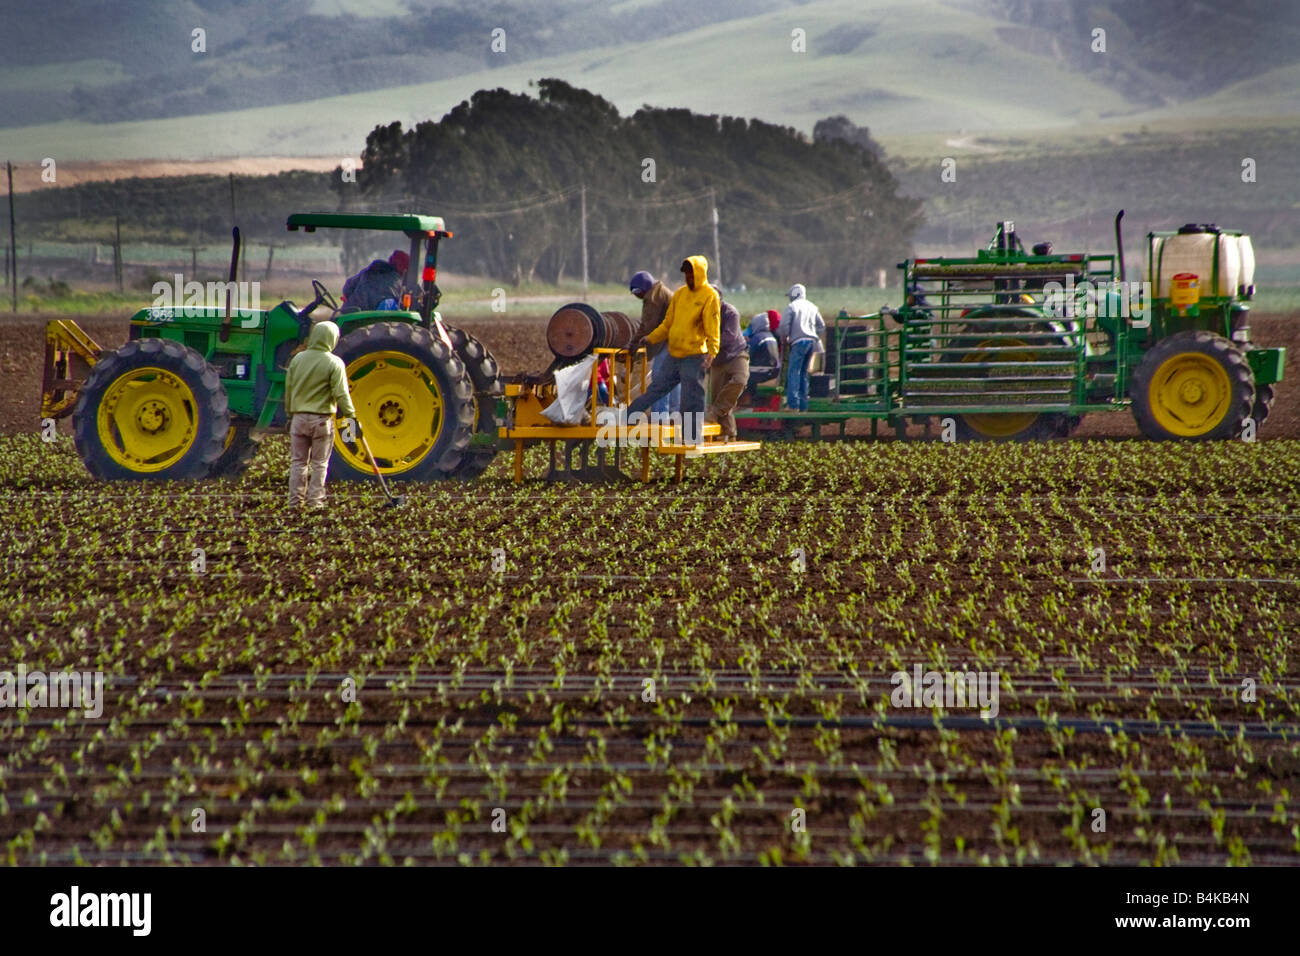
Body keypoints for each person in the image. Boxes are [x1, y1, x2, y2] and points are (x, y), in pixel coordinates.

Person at [628, 256, 720, 444]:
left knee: (691, 397)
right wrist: (651, 337)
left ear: (700, 273)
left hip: (695, 355)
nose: (688, 277)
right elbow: (667, 324)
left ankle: (692, 437)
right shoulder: (679, 294)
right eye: (686, 274)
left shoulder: (709, 296)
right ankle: (626, 417)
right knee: (656, 388)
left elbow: (713, 327)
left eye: (692, 273)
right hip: (674, 353)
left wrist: (712, 352)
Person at [284, 320, 355, 509]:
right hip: (321, 421)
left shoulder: (297, 359)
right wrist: (351, 416)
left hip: (298, 419)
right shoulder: (334, 363)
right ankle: (314, 502)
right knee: (319, 463)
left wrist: (290, 414)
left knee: (298, 462)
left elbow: (289, 389)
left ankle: (294, 502)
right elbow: (341, 394)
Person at [628, 270, 678, 415]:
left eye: (636, 293)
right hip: (676, 339)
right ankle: (676, 413)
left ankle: (660, 417)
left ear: (640, 290)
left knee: (659, 378)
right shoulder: (660, 292)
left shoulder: (653, 298)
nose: (637, 297)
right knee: (673, 379)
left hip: (667, 340)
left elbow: (647, 325)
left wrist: (633, 343)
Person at [706, 301, 749, 441]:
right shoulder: (701, 312)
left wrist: (707, 345)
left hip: (736, 354)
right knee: (719, 395)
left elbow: (729, 337)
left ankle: (715, 412)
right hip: (717, 359)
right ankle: (729, 433)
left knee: (740, 380)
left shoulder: (730, 312)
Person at [778, 283, 825, 411]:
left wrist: (785, 337)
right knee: (804, 373)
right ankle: (803, 405)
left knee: (793, 372)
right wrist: (815, 335)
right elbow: (821, 326)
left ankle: (793, 405)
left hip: (798, 342)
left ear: (794, 294)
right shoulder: (813, 307)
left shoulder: (792, 307)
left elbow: (783, 326)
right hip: (811, 343)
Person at [340, 250, 411, 313]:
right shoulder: (398, 281)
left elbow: (347, 288)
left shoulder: (370, 270)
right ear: (404, 268)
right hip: (378, 317)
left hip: (353, 311)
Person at [743, 312, 780, 399]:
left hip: (761, 372)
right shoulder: (771, 336)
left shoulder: (758, 338)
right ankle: (752, 399)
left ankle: (746, 400)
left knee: (740, 374)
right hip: (773, 371)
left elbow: (748, 354)